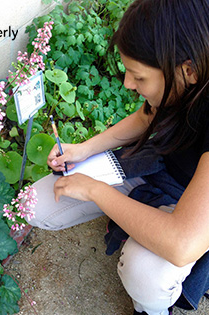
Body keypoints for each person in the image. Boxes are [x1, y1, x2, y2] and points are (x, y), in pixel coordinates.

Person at [28, 0, 209, 314]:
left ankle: (151, 308)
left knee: (143, 275)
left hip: (195, 207)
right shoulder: (183, 75)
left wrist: (95, 190)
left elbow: (181, 244)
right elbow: (147, 117)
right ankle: (140, 218)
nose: (128, 84)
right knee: (36, 204)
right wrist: (84, 149)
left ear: (189, 70)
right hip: (161, 165)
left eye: (139, 78)